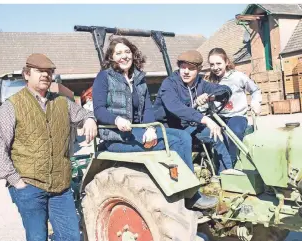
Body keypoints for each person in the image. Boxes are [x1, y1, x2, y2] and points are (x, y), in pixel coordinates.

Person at [92, 37, 218, 210]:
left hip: (136, 131)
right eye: (118, 53)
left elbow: (147, 109)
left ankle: (188, 190)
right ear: (112, 57)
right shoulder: (104, 77)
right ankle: (190, 194)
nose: (124, 56)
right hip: (116, 137)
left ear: (133, 54)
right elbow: (98, 109)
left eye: (127, 52)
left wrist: (150, 127)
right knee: (175, 141)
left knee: (183, 136)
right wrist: (117, 120)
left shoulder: (138, 78)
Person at [0, 53, 97, 241]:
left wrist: (90, 119)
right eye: (39, 71)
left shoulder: (63, 102)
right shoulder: (11, 106)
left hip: (60, 188)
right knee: (37, 237)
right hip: (29, 187)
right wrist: (17, 182)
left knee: (71, 237)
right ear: (27, 74)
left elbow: (84, 115)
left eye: (49, 72)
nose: (45, 75)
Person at [154, 50, 232, 175]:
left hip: (188, 127)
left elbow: (225, 90)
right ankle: (190, 185)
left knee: (217, 134)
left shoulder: (200, 83)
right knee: (183, 139)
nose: (185, 72)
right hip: (166, 128)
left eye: (190, 68)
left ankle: (227, 176)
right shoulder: (169, 84)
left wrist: (210, 96)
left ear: (199, 69)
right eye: (183, 67)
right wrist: (205, 120)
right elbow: (176, 107)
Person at [208, 47, 262, 165]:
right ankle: (216, 165)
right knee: (211, 135)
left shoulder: (238, 77)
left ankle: (232, 163)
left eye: (218, 63)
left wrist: (256, 102)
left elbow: (255, 90)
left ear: (226, 62)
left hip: (236, 116)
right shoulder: (209, 80)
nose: (215, 67)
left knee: (234, 132)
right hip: (218, 117)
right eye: (212, 64)